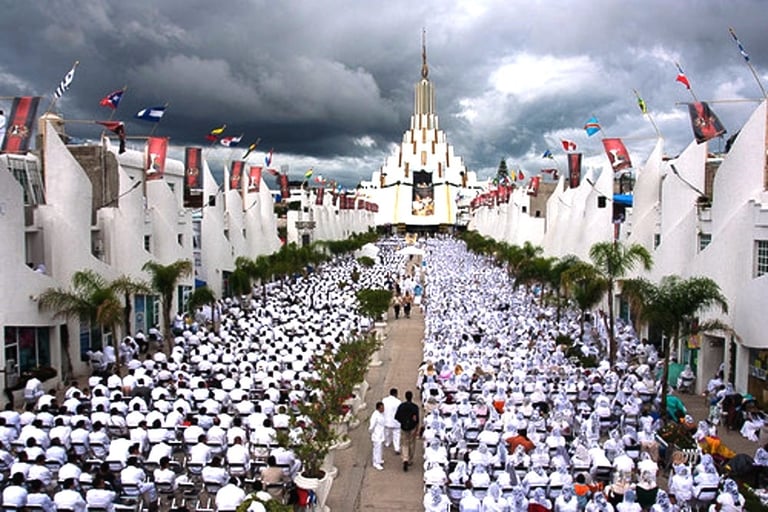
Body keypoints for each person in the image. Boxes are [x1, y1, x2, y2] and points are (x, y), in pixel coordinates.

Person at [394, 390, 420, 472]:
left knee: (404, 443)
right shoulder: (415, 407)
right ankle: (410, 459)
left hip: (404, 427)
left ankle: (405, 458)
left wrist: (402, 421)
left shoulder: (401, 406)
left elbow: (396, 416)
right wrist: (416, 428)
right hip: (412, 427)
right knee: (412, 443)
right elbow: (417, 419)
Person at [382, 388, 402, 455]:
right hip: (396, 422)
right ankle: (397, 448)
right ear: (396, 394)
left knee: (387, 433)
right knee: (396, 435)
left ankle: (387, 443)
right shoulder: (398, 402)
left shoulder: (384, 400)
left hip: (387, 421)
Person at [369, 401, 385, 470]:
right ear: (378, 408)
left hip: (380, 434)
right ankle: (376, 463)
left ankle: (379, 459)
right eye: (382, 408)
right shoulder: (375, 415)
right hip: (377, 435)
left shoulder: (381, 414)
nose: (383, 409)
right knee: (377, 449)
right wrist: (372, 433)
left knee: (380, 448)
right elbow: (371, 426)